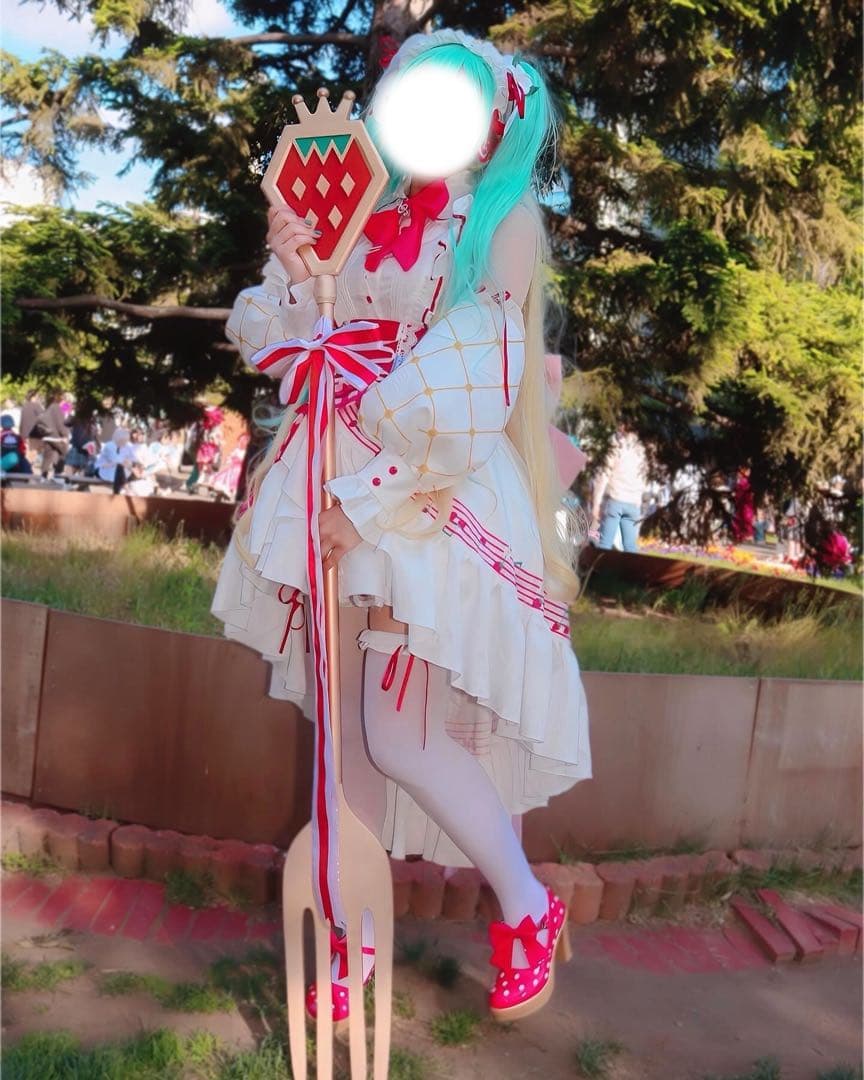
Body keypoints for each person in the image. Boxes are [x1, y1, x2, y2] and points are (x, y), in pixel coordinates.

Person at [212, 30, 591, 1026]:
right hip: (331, 474)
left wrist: (370, 498)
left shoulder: (500, 222)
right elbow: (290, 342)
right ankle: (354, 942)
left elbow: (477, 369)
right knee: (342, 738)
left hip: (423, 494)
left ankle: (529, 904)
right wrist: (297, 269)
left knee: (398, 732)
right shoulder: (363, 210)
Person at [590, 422, 649, 552]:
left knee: (605, 543)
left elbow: (604, 476)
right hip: (633, 502)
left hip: (615, 499)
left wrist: (596, 504)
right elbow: (644, 479)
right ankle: (632, 565)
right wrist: (638, 500)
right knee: (630, 546)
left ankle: (603, 565)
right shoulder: (642, 451)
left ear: (623, 428)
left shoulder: (616, 447)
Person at [38, 389, 72, 480]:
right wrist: (65, 435)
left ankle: (43, 476)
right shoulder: (58, 408)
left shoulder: (51, 406)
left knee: (47, 456)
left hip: (47, 435)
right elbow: (61, 423)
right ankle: (57, 475)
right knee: (64, 453)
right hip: (56, 436)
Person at [95, 427, 135, 494]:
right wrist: (125, 462)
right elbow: (116, 460)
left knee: (121, 469)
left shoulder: (128, 446)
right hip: (103, 469)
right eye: (122, 440)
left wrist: (129, 463)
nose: (124, 442)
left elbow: (132, 459)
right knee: (119, 466)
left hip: (117, 471)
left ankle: (121, 491)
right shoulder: (109, 446)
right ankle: (126, 489)